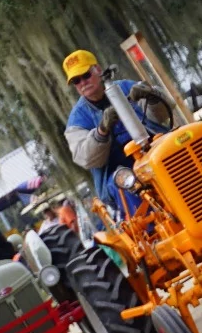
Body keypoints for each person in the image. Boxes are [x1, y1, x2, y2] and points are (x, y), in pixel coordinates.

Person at [60, 50, 173, 214]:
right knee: (123, 181)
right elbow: (85, 159)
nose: (83, 82)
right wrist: (102, 130)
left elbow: (162, 115)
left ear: (98, 70)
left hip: (153, 151)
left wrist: (152, 96)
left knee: (178, 147)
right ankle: (151, 232)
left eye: (86, 75)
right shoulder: (77, 120)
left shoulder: (126, 87)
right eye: (76, 81)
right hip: (120, 171)